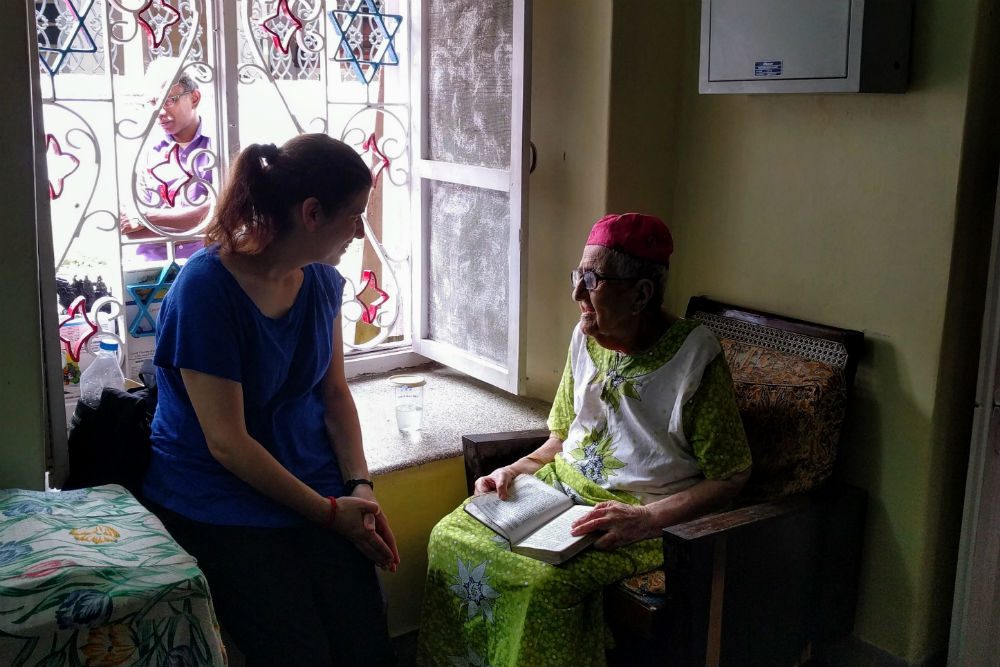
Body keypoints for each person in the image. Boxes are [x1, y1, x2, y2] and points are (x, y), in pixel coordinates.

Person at [417, 213, 752, 667]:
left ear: (641, 294)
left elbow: (732, 477)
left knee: (542, 587)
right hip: (555, 493)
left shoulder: (695, 357)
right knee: (449, 537)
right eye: (579, 276)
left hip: (637, 517)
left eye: (592, 280)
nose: (576, 294)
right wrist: (513, 471)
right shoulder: (586, 336)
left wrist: (645, 518)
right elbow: (561, 438)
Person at [141, 134, 399, 667]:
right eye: (353, 216)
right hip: (219, 498)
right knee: (299, 652)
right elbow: (227, 444)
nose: (359, 230)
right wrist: (330, 514)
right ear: (310, 213)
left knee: (365, 643)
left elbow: (334, 394)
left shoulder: (324, 282)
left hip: (313, 484)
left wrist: (359, 489)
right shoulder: (207, 290)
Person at [120, 73, 213, 263]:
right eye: (153, 102)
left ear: (194, 98)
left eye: (168, 101)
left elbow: (221, 217)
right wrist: (195, 225)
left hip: (205, 267)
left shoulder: (219, 147)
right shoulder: (144, 151)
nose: (159, 111)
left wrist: (148, 217)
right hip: (151, 268)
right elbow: (130, 229)